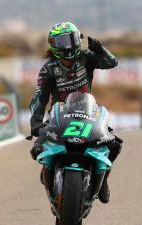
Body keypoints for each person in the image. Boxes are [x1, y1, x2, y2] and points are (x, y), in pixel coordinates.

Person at [29, 22, 122, 204]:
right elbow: (39, 97)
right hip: (59, 116)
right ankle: (49, 173)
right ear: (53, 45)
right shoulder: (48, 69)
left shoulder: (86, 57)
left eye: (71, 39)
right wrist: (36, 123)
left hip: (88, 112)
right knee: (38, 148)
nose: (68, 45)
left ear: (78, 39)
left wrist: (100, 49)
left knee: (113, 144)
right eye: (63, 41)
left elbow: (112, 63)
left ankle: (102, 179)